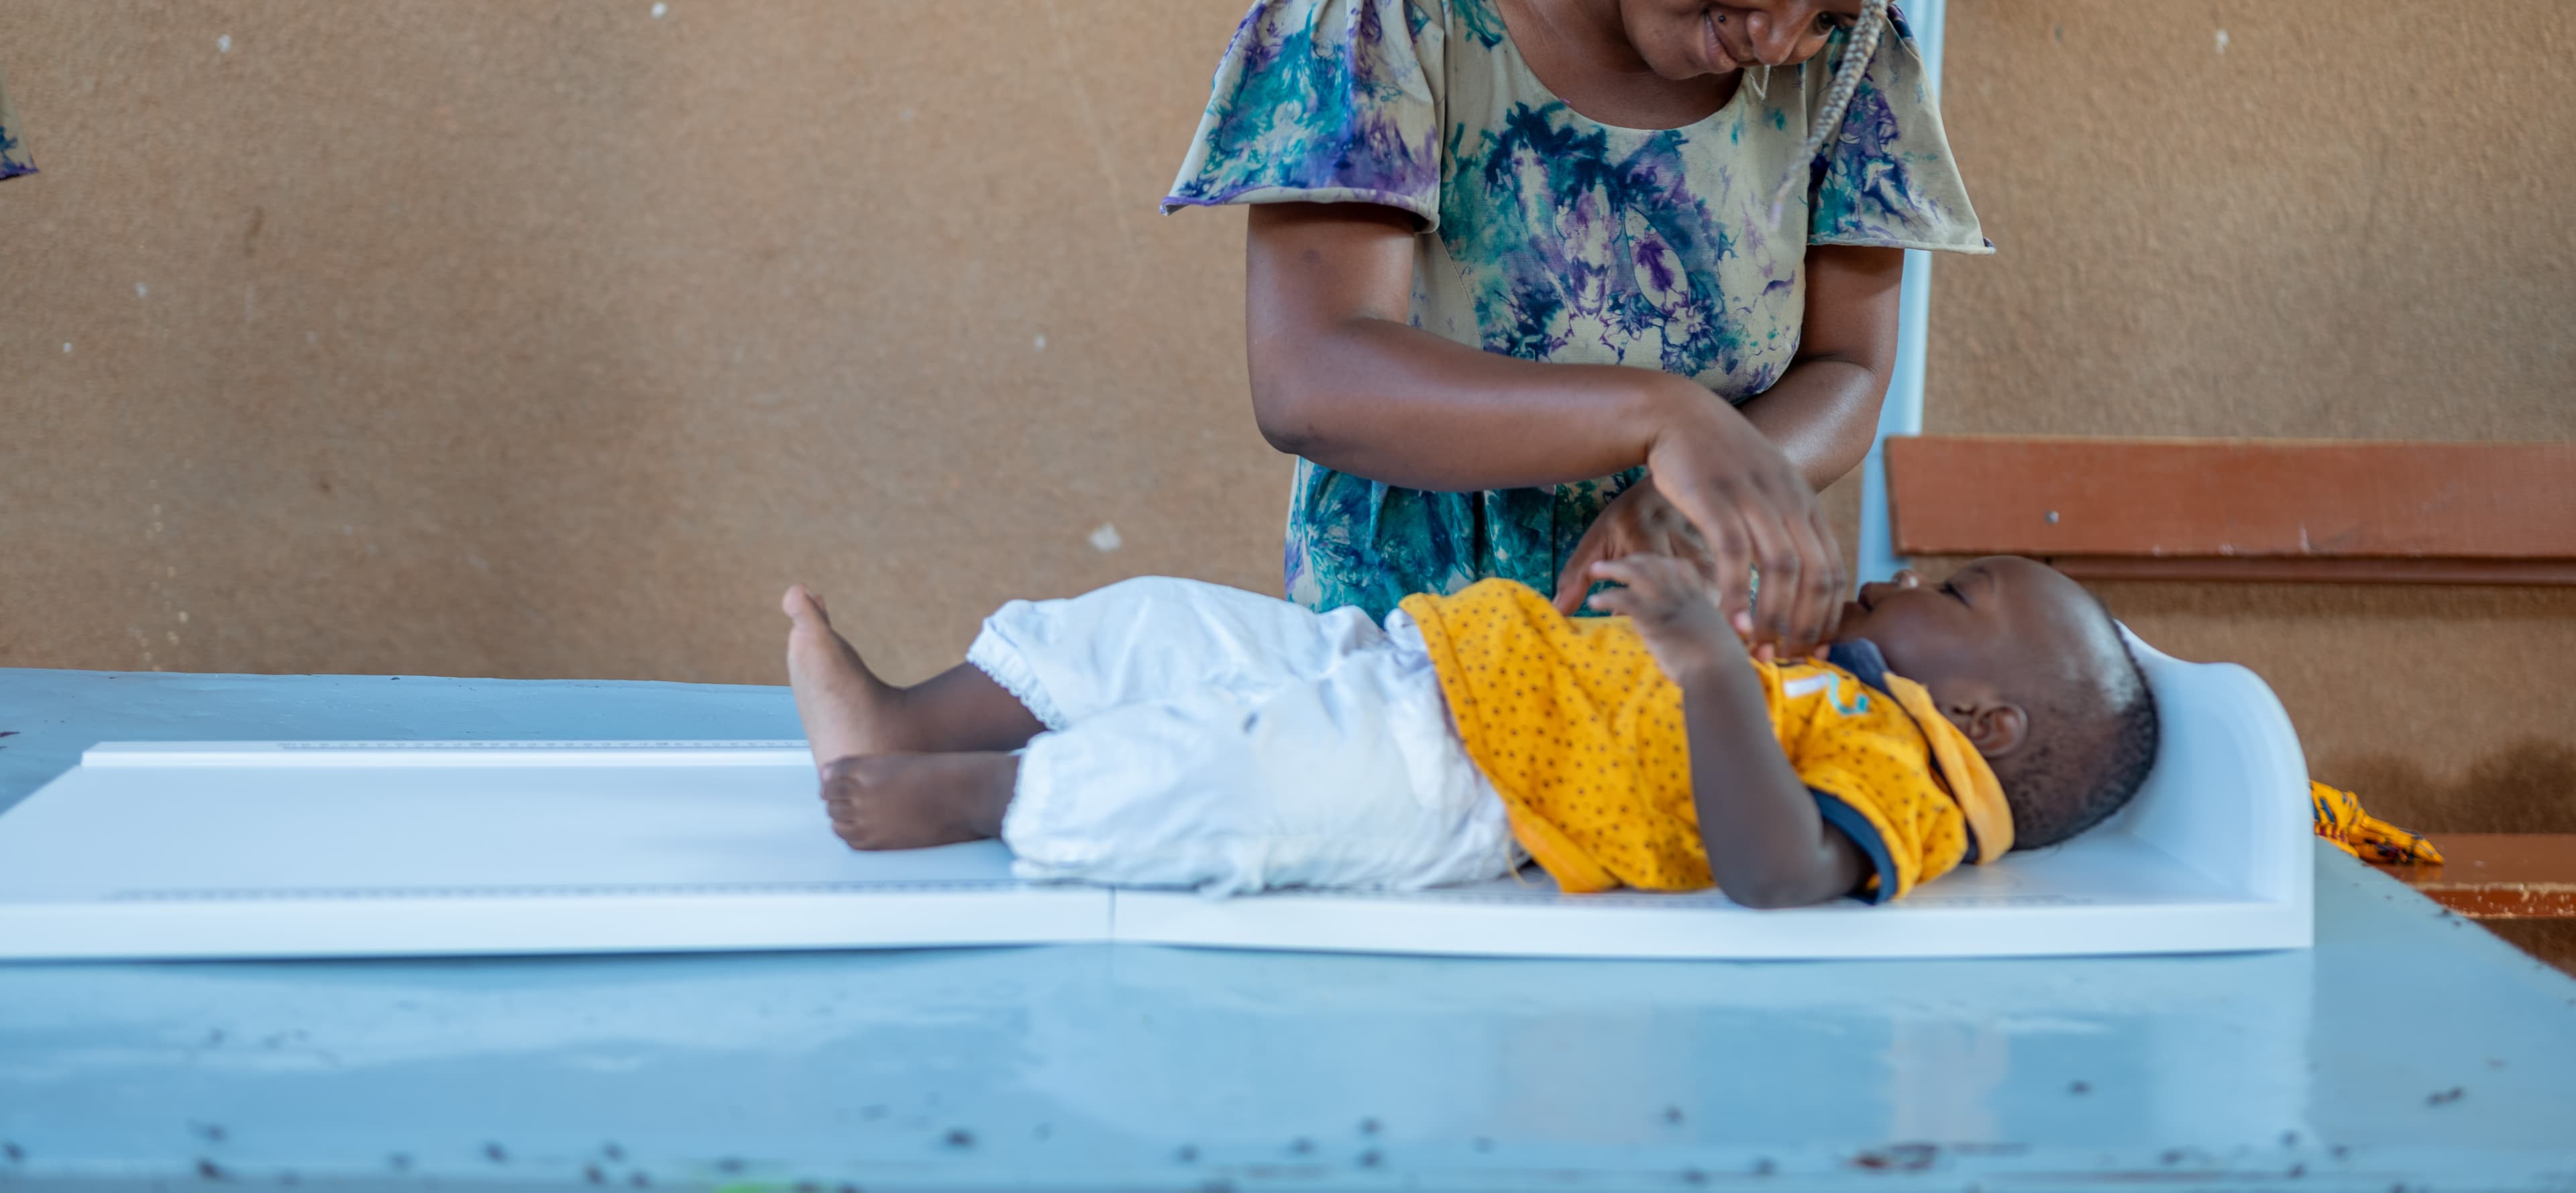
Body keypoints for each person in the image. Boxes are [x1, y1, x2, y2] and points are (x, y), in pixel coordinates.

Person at [1164, 0, 1991, 653]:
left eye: (1830, 20)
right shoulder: (1394, 10)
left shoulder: (1851, 75)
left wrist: (1701, 493)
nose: (1782, 39)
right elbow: (1312, 379)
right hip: (1406, 670)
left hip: (1689, 676)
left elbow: (1846, 364)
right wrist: (1665, 421)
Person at [779, 554, 2160, 909]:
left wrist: (1712, 673)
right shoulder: (1833, 668)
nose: (1913, 578)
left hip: (1471, 785)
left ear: (1989, 718)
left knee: (1235, 776)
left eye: (1957, 590)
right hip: (1423, 658)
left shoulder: (1906, 770)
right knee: (1156, 625)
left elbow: (1778, 872)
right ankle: (899, 718)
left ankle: (999, 799)